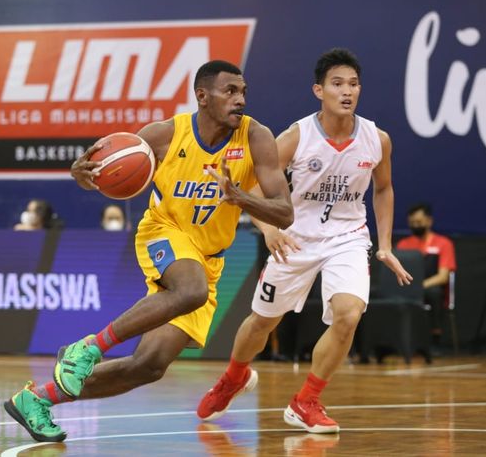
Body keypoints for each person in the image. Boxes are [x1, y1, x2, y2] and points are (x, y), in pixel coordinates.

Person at [4, 60, 294, 442]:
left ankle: (37, 400)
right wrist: (85, 175)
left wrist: (238, 196)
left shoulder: (256, 137)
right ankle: (88, 347)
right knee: (191, 291)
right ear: (202, 96)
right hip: (165, 230)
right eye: (230, 91)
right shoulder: (162, 135)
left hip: (209, 258)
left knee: (149, 365)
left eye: (243, 92)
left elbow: (285, 212)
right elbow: (103, 168)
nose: (239, 99)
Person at [196, 48, 412, 434]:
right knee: (263, 322)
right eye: (337, 84)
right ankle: (234, 377)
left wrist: (385, 245)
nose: (347, 92)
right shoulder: (297, 137)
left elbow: (384, 190)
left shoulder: (377, 139)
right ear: (318, 90)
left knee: (349, 314)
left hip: (347, 238)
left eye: (354, 84)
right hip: (295, 238)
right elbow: (249, 185)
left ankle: (306, 400)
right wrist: (268, 228)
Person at [396, 202, 457, 352]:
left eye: (419, 222)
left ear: (429, 221)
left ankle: (435, 340)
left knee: (435, 293)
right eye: (412, 223)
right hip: (407, 287)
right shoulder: (403, 244)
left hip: (429, 287)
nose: (415, 225)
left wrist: (420, 286)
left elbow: (443, 277)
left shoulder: (443, 243)